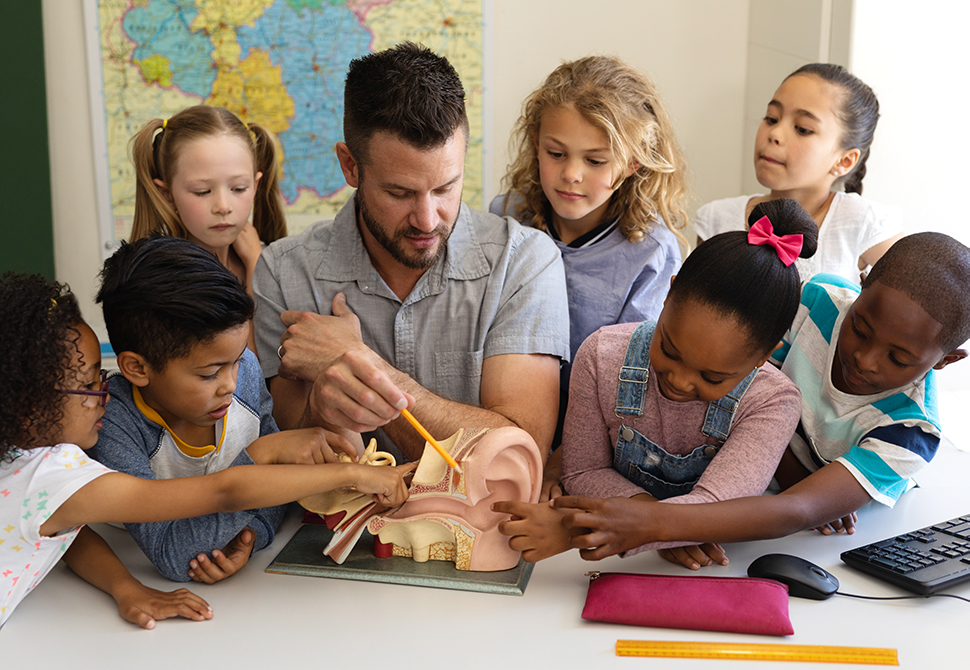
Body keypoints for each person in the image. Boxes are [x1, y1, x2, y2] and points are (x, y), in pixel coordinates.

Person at [0, 272, 412, 629]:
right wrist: (351, 474)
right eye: (89, 386)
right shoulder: (56, 476)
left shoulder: (33, 469)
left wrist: (125, 588)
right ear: (29, 408)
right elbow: (225, 491)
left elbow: (72, 531)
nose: (103, 395)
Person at [254, 43, 570, 495]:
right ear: (350, 165)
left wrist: (357, 364)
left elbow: (518, 458)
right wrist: (323, 414)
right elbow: (290, 471)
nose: (427, 219)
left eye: (446, 187)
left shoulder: (523, 261)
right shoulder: (282, 274)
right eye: (400, 193)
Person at [550, 232, 970, 564]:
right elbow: (755, 393)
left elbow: (800, 510)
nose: (864, 358)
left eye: (898, 358)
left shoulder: (911, 430)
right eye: (859, 328)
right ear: (861, 286)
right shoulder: (815, 301)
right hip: (742, 485)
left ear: (947, 360)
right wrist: (673, 522)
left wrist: (656, 523)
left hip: (804, 533)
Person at [494, 199, 814, 566]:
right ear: (668, 294)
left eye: (711, 377)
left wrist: (619, 526)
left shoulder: (773, 402)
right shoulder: (601, 356)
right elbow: (583, 471)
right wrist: (659, 530)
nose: (678, 380)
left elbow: (718, 509)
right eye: (669, 349)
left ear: (763, 356)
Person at [90, 236, 359, 584]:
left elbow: (279, 497)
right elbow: (173, 557)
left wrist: (251, 536)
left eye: (236, 361)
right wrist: (260, 457)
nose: (230, 384)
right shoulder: (113, 421)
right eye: (209, 374)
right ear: (137, 369)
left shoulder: (242, 369)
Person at [489, 56, 688, 480]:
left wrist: (568, 459)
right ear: (535, 143)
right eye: (555, 153)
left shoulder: (652, 252)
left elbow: (630, 381)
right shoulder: (505, 219)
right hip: (503, 423)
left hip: (600, 444)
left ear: (634, 163)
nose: (571, 174)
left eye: (596, 161)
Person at [694, 63, 902, 284]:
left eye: (803, 129)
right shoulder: (717, 220)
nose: (774, 133)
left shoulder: (862, 223)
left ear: (844, 161)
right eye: (771, 118)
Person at [129, 104, 286, 351]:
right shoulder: (163, 281)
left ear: (255, 185)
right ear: (166, 193)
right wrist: (257, 268)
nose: (223, 206)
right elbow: (248, 369)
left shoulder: (277, 261)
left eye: (238, 189)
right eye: (202, 191)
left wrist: (257, 260)